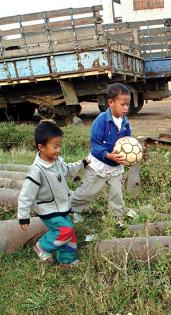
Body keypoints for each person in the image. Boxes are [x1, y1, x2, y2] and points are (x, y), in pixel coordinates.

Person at [18, 120, 88, 267]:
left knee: (70, 233)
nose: (58, 150)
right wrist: (23, 217)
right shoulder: (36, 170)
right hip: (48, 210)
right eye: (55, 147)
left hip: (62, 207)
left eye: (59, 146)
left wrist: (83, 163)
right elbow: (26, 195)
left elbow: (68, 169)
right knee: (64, 230)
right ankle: (42, 246)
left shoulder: (57, 162)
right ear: (41, 147)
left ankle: (66, 261)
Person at [70, 83, 132, 230]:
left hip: (115, 166)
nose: (126, 108)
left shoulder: (125, 122)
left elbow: (127, 141)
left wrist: (129, 154)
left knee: (117, 193)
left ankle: (117, 217)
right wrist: (107, 154)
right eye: (123, 104)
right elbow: (95, 143)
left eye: (128, 105)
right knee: (89, 191)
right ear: (111, 102)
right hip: (98, 165)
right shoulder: (101, 121)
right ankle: (75, 209)